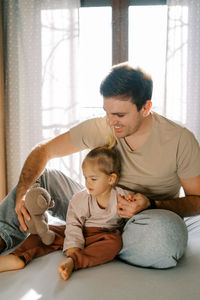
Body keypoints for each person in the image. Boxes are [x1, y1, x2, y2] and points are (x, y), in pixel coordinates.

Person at [0, 63, 199, 269]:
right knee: (43, 179)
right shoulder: (104, 126)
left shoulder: (180, 140)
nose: (112, 122)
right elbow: (44, 151)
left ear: (146, 108)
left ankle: (91, 239)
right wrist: (22, 193)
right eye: (107, 112)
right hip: (96, 208)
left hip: (140, 221)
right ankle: (3, 235)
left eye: (120, 115)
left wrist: (152, 204)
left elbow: (197, 201)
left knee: (168, 236)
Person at [0, 147, 130, 278]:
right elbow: (73, 224)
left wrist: (74, 256)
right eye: (85, 177)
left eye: (93, 179)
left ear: (111, 179)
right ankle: (18, 256)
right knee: (45, 233)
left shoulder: (122, 197)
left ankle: (74, 261)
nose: (87, 183)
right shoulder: (81, 199)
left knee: (115, 242)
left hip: (102, 236)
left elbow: (134, 210)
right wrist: (73, 245)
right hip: (79, 230)